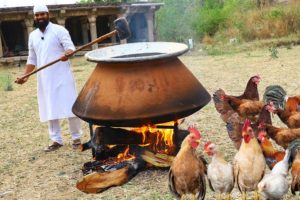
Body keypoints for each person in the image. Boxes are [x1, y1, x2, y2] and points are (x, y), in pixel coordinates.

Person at [15, 4, 82, 152]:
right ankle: (56, 140)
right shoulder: (33, 36)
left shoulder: (59, 30)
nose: (40, 17)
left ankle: (76, 138)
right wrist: (25, 76)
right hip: (45, 78)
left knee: (70, 105)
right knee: (49, 106)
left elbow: (70, 48)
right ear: (34, 17)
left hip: (62, 75)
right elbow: (32, 59)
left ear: (48, 14)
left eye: (42, 14)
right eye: (37, 15)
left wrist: (67, 54)